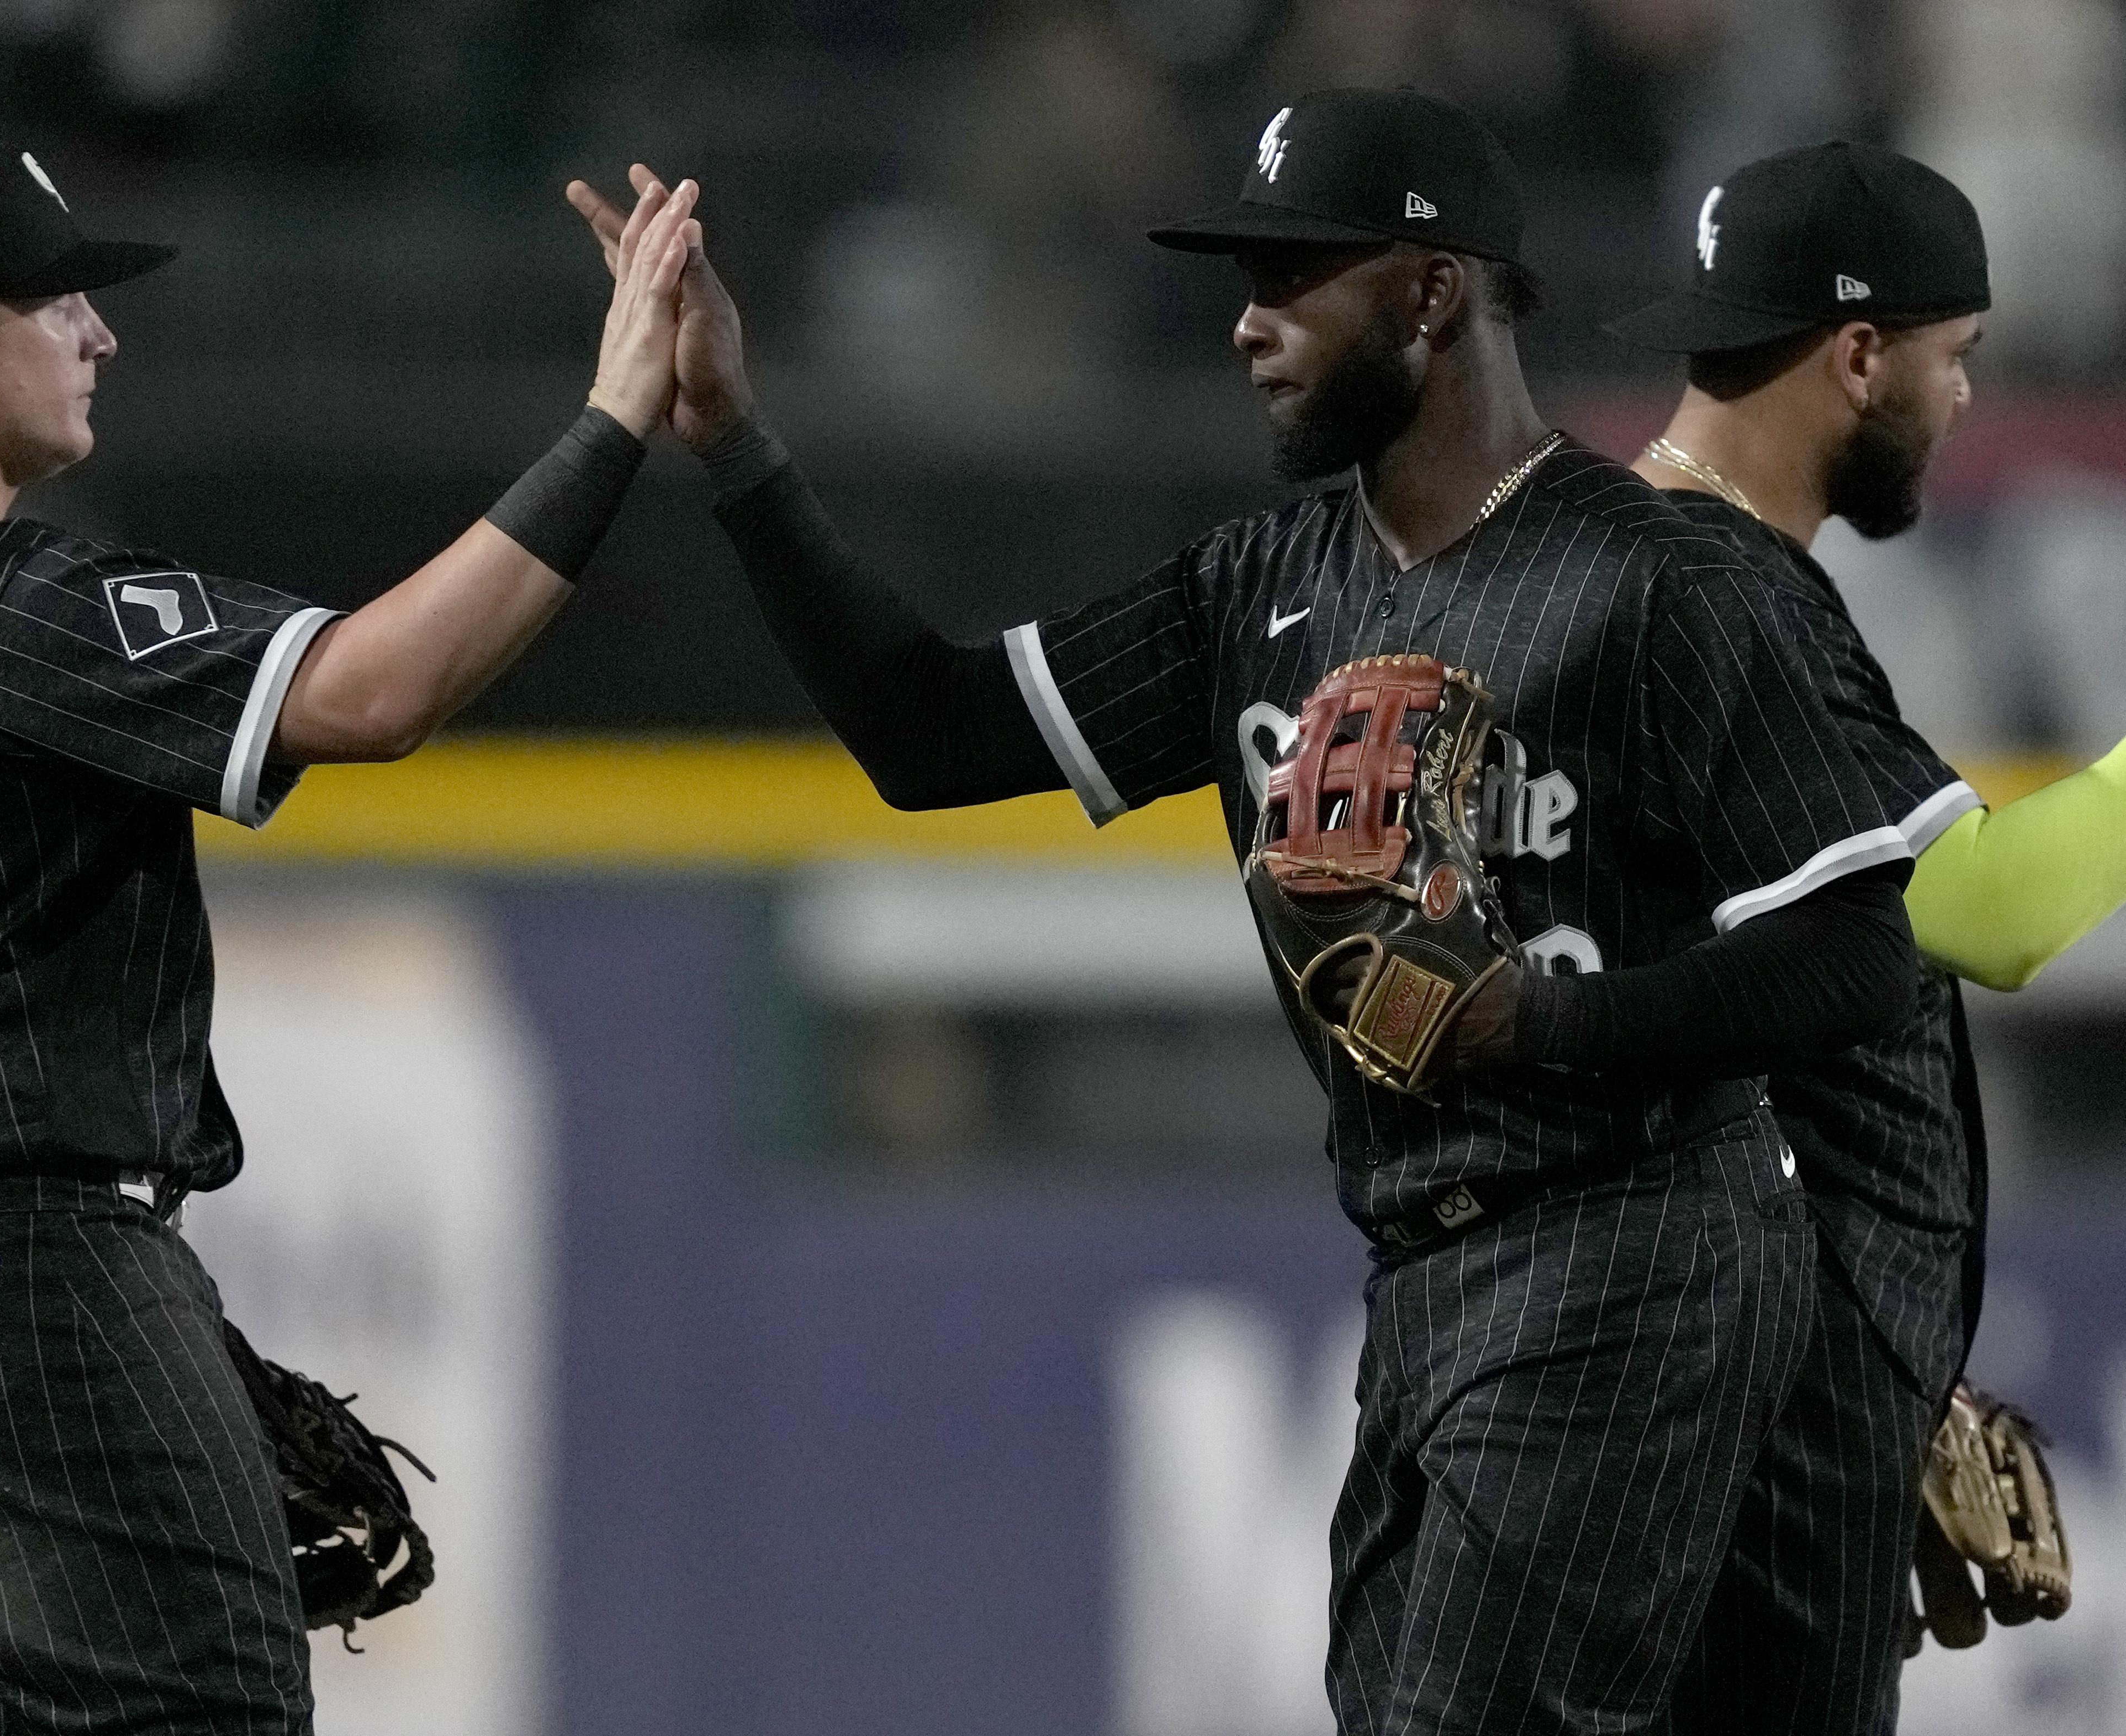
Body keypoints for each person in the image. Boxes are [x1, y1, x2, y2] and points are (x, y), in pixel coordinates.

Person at [573, 88, 1925, 1733]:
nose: (1246, 321)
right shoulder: (1259, 587)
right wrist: (730, 441)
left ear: (1430, 293)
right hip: (1425, 1276)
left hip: (1636, 1242)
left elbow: (1860, 949)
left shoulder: (1655, 578)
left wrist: (1535, 1021)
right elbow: (926, 735)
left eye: (1293, 276)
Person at [0, 137, 699, 1732]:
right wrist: (614, 421)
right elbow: (374, 694)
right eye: (62, 300)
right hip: (9, 1263)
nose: (101, 332)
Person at [1613, 140, 2121, 1729]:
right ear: (1857, 356)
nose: (1965, 402)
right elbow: (1997, 909)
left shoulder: (1633, 561)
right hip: (1709, 1417)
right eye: (1951, 358)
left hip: (1702, 1369)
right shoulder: (1712, 590)